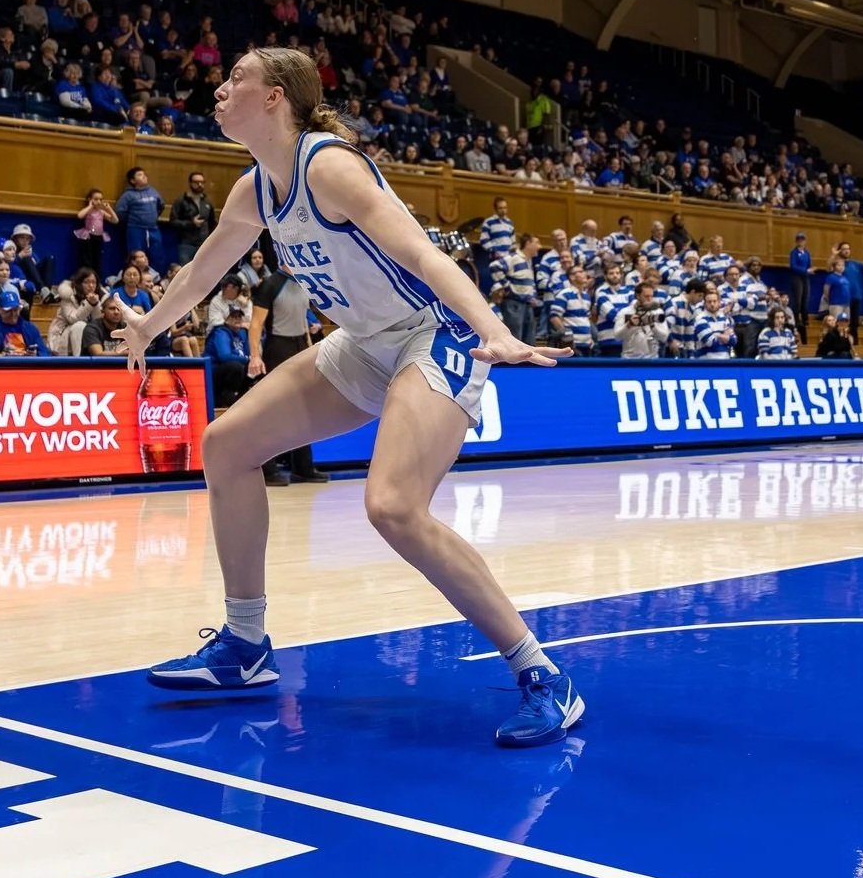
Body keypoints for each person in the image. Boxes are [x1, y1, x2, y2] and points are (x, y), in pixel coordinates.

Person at [117, 47, 580, 746]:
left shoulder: (328, 165)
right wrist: (149, 324)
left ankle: (543, 674)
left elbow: (427, 255)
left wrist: (494, 329)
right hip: (365, 342)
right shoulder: (254, 190)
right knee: (226, 444)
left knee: (391, 505)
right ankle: (244, 646)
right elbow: (205, 268)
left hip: (436, 334)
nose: (220, 86)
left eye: (236, 76)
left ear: (276, 97)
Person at [249, 252, 327, 484]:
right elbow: (255, 324)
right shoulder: (271, 284)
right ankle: (268, 469)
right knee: (274, 408)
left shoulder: (303, 282)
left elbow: (304, 321)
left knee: (304, 409)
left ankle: (303, 468)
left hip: (300, 345)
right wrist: (255, 355)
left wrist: (311, 350)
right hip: (278, 346)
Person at [117, 166, 165, 272]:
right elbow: (120, 212)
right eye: (139, 175)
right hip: (136, 229)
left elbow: (161, 206)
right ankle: (136, 278)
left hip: (153, 228)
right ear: (132, 180)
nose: (144, 176)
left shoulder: (153, 191)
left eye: (144, 174)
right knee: (136, 257)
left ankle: (155, 279)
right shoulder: (128, 195)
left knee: (157, 255)